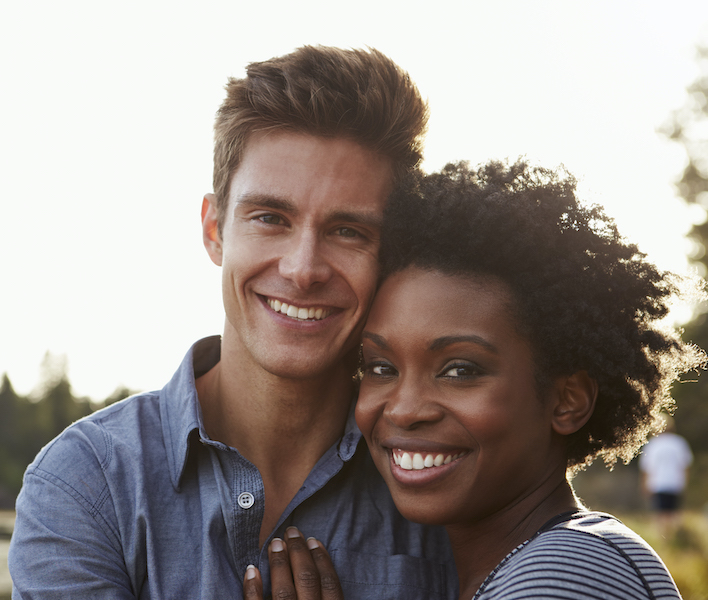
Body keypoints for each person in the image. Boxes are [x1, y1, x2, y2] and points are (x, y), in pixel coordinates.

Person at [8, 46, 457, 598]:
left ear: (391, 253)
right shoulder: (87, 483)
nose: (303, 269)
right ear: (214, 228)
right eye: (270, 218)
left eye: (348, 231)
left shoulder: (442, 470)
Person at [245, 160, 703, 600]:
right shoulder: (521, 565)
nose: (404, 409)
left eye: (460, 370)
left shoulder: (563, 573)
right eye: (381, 367)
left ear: (568, 400)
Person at [640, 415, 693, 537]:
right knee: (674, 513)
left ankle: (663, 538)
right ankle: (675, 538)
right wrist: (684, 483)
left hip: (657, 484)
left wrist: (644, 485)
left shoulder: (652, 445)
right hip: (675, 483)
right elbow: (685, 466)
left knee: (660, 514)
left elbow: (647, 468)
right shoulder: (679, 443)